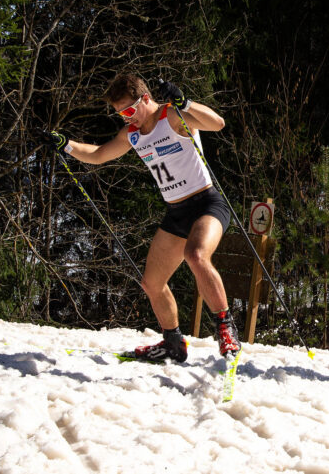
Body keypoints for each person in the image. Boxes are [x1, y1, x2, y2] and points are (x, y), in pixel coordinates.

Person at [40, 74, 241, 361]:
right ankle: (173, 342)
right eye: (120, 113)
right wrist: (66, 144)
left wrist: (185, 102)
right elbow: (98, 154)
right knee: (151, 282)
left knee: (196, 255)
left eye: (129, 110)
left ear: (145, 98)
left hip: (206, 204)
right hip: (176, 213)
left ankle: (226, 328)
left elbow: (217, 124)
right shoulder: (132, 134)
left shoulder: (171, 116)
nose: (126, 118)